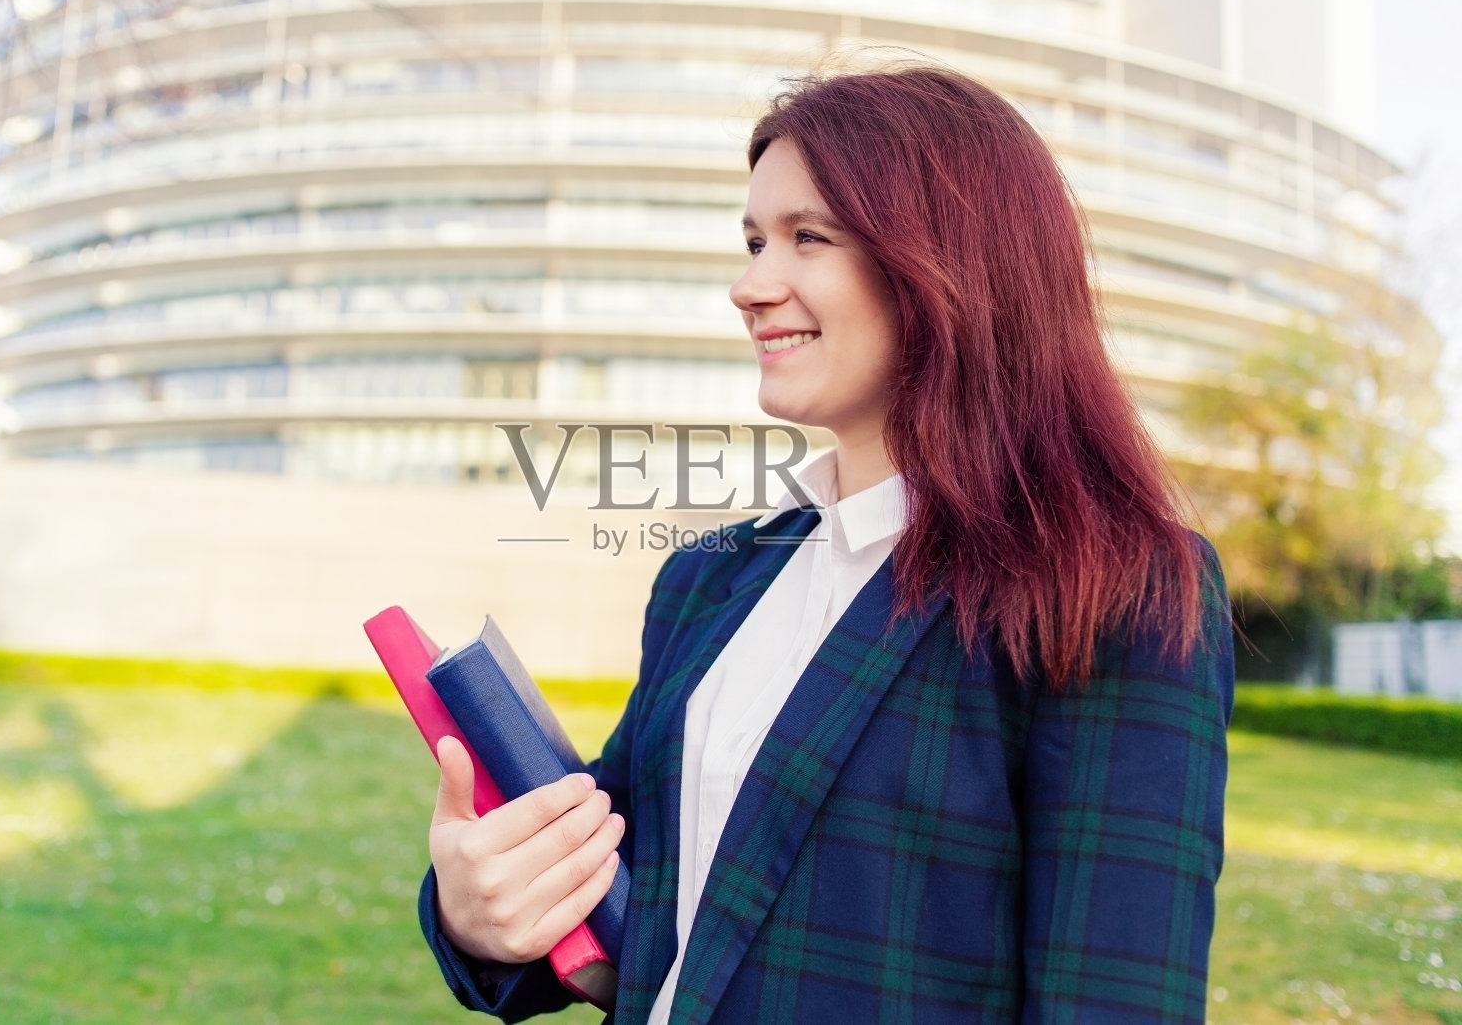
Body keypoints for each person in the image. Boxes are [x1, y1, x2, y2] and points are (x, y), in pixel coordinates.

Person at [419, 63, 1235, 1024]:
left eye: (809, 238)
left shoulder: (1114, 588)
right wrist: (475, 911)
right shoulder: (709, 579)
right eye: (756, 240)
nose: (749, 285)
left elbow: (1114, 1002)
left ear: (951, 263)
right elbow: (615, 883)